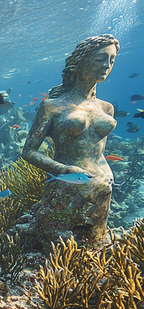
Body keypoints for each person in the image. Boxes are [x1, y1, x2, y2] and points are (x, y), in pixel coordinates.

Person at [22, 34, 119, 244]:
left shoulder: (106, 108)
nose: (107, 65)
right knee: (56, 254)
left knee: (93, 250)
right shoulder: (52, 106)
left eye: (111, 60)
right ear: (80, 62)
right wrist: (64, 170)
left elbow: (99, 151)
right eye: (100, 59)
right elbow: (28, 152)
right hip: (66, 187)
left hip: (101, 190)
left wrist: (107, 173)